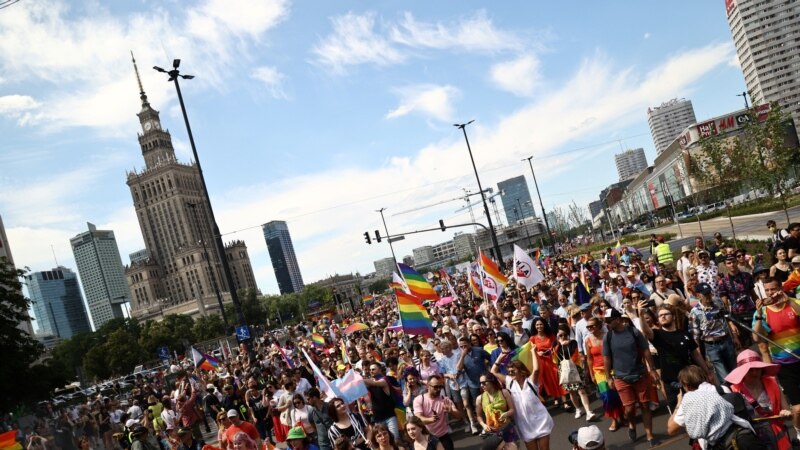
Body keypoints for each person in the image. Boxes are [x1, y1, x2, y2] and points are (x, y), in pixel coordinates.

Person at [668, 365, 764, 450]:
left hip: (719, 444)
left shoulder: (687, 401)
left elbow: (671, 429)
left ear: (686, 385)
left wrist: (679, 403)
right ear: (703, 377)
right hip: (743, 434)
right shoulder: (722, 389)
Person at [637, 303, 714, 410]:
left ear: (673, 317)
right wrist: (640, 314)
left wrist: (707, 372)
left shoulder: (685, 334)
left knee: (699, 409)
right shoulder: (657, 335)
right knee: (678, 415)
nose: (663, 316)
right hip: (671, 383)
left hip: (690, 379)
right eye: (660, 315)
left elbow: (696, 355)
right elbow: (646, 331)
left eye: (666, 314)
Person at [602, 308, 659, 447]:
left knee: (645, 405)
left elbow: (645, 350)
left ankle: (649, 435)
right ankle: (632, 425)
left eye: (609, 321)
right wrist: (608, 377)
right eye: (606, 321)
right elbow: (607, 358)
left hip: (639, 374)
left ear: (617, 319)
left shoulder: (634, 332)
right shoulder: (608, 337)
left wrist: (652, 369)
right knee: (629, 409)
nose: (607, 324)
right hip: (621, 378)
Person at [754, 276, 800, 442]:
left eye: (773, 289)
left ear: (780, 288)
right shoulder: (764, 311)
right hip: (785, 365)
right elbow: (757, 337)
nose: (770, 293)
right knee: (797, 408)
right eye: (767, 290)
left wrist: (790, 302)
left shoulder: (794, 303)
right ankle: (798, 431)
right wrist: (758, 313)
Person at [725, 349, 793, 450]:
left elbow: (789, 415)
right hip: (752, 442)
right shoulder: (734, 391)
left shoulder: (773, 384)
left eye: (757, 368)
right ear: (742, 372)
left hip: (779, 440)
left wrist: (786, 414)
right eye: (750, 370)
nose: (755, 372)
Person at [490, 359, 553, 450]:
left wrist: (533, 351)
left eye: (513, 371)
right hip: (525, 425)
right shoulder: (510, 382)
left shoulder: (530, 381)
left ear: (521, 370)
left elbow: (536, 369)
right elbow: (493, 371)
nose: (510, 373)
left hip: (540, 421)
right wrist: (501, 357)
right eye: (509, 371)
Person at [689, 282, 739, 382]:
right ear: (699, 295)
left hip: (726, 340)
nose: (708, 296)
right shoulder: (695, 312)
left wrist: (734, 337)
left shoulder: (718, 302)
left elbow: (727, 319)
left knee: (735, 371)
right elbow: (695, 337)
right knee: (724, 377)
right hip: (711, 346)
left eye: (709, 293)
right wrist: (701, 357)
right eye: (705, 294)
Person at [584, 317, 623, 431]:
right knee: (607, 396)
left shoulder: (608, 336)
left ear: (599, 326)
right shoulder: (588, 340)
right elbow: (589, 359)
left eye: (592, 326)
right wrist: (591, 374)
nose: (590, 328)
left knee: (617, 394)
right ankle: (614, 419)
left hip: (612, 369)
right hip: (598, 372)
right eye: (588, 326)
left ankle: (622, 416)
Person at [555, 328, 596, 420]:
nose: (563, 337)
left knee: (581, 391)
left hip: (575, 369)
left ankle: (588, 411)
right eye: (560, 335)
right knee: (571, 391)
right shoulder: (556, 345)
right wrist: (559, 344)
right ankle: (578, 409)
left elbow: (574, 354)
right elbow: (555, 356)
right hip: (564, 370)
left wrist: (566, 344)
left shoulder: (573, 342)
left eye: (564, 334)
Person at [718, 254, 757, 348]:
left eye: (734, 262)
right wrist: (730, 322)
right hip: (737, 315)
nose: (732, 265)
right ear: (725, 265)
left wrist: (761, 308)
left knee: (758, 339)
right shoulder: (723, 282)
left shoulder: (747, 276)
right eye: (729, 263)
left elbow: (753, 294)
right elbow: (725, 304)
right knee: (745, 343)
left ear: (737, 262)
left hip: (751, 311)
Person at [412, 374, 460, 450]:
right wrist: (430, 420)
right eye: (435, 387)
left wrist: (451, 411)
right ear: (428, 386)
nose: (438, 389)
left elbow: (458, 416)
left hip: (443, 436)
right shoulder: (419, 400)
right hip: (427, 439)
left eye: (440, 387)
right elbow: (418, 418)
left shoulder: (444, 399)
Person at [455, 336, 490, 435]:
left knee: (489, 402)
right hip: (472, 384)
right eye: (461, 346)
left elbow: (490, 358)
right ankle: (484, 425)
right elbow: (458, 368)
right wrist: (462, 355)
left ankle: (491, 421)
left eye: (465, 345)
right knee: (478, 405)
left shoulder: (479, 350)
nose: (463, 348)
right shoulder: (460, 355)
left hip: (485, 382)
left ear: (470, 343)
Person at [529, 318, 568, 406]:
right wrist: (537, 353)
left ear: (544, 325)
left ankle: (565, 400)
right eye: (537, 325)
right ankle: (555, 398)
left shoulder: (550, 336)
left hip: (552, 361)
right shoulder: (532, 338)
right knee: (548, 382)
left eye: (541, 324)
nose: (539, 326)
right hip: (541, 363)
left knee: (557, 379)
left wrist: (551, 350)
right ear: (534, 326)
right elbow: (531, 351)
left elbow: (557, 346)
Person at [475, 373, 517, 450]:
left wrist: (506, 414)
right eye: (480, 383)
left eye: (484, 383)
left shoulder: (504, 392)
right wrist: (483, 425)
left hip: (507, 428)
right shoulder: (479, 398)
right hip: (492, 434)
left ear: (491, 381)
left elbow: (512, 410)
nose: (481, 385)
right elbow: (479, 416)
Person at [362, 362, 401, 439]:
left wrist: (360, 379)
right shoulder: (370, 383)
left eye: (373, 369)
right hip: (378, 420)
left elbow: (374, 383)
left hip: (390, 417)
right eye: (370, 369)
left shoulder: (384, 380)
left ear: (379, 369)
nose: (371, 371)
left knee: (395, 440)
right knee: (383, 442)